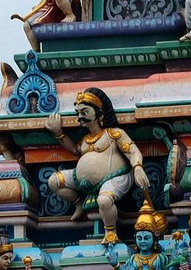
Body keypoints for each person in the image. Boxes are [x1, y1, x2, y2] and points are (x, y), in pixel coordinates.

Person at [45, 88, 149, 245]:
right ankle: (79, 202)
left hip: (116, 177)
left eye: (85, 112)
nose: (80, 117)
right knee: (54, 181)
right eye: (78, 113)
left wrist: (138, 168)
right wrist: (58, 133)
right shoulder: (86, 139)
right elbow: (74, 150)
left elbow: (132, 151)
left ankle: (111, 233)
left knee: (104, 201)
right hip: (83, 183)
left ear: (99, 115)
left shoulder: (114, 134)